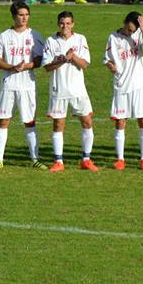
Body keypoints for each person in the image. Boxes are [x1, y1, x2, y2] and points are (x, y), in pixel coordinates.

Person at [0, 1, 45, 170]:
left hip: (27, 85)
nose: (24, 18)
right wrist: (11, 67)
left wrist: (26, 66)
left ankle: (35, 158)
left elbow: (39, 60)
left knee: (29, 122)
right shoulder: (4, 36)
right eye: (21, 15)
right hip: (8, 85)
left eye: (26, 15)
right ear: (14, 16)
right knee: (3, 121)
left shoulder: (35, 35)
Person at [42, 11, 98, 172]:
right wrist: (64, 59)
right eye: (62, 23)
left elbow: (85, 64)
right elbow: (47, 67)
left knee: (87, 121)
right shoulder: (51, 41)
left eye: (68, 23)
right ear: (58, 24)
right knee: (58, 123)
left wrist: (73, 58)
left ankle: (86, 159)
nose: (64, 26)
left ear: (73, 24)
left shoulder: (80, 39)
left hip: (78, 89)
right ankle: (58, 161)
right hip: (58, 88)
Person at [104, 11, 143, 170]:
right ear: (124, 22)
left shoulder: (140, 34)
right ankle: (120, 159)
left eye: (133, 30)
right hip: (121, 84)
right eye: (128, 29)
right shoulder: (113, 37)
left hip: (139, 84)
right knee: (120, 121)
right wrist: (110, 65)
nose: (130, 32)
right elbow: (107, 59)